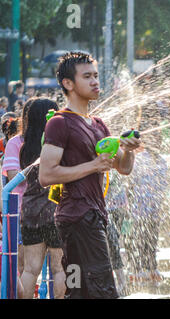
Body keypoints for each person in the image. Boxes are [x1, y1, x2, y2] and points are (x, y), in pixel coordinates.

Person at [38, 51, 141, 299]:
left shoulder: (98, 124)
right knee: (104, 290)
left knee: (81, 291)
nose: (95, 81)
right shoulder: (60, 123)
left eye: (96, 75)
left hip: (94, 214)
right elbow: (46, 175)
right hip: (77, 216)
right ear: (68, 84)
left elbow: (123, 168)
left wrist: (128, 151)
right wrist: (93, 166)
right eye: (87, 77)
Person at [18, 97, 66, 299]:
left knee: (30, 269)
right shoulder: (59, 144)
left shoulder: (25, 147)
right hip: (55, 208)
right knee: (59, 268)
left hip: (30, 211)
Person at [122, 133, 167, 285]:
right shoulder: (148, 160)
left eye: (158, 140)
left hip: (147, 209)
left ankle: (146, 269)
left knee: (146, 240)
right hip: (145, 209)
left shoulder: (156, 160)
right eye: (156, 140)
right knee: (145, 240)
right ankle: (144, 270)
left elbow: (163, 186)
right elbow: (131, 184)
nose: (158, 143)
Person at [2, 102, 32, 278]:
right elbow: (13, 177)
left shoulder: (53, 140)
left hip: (51, 209)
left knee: (59, 265)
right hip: (22, 210)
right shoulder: (16, 142)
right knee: (22, 266)